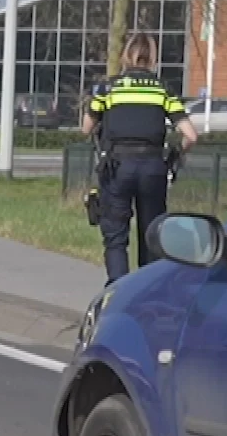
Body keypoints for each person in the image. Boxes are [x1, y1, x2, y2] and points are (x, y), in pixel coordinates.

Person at [82, 33, 199, 282]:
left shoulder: (108, 88)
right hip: (153, 169)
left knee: (115, 237)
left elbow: (86, 128)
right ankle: (147, 289)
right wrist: (176, 155)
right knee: (152, 234)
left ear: (126, 56)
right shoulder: (162, 89)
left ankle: (118, 289)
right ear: (153, 58)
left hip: (117, 167)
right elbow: (191, 135)